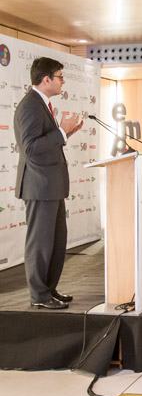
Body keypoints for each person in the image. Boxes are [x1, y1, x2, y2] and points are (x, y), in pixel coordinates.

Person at [14, 57, 83, 309]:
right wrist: (61, 132)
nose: (63, 81)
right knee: (40, 244)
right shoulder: (30, 105)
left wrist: (65, 134)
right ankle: (39, 295)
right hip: (39, 186)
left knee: (55, 242)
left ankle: (49, 290)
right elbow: (31, 148)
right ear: (46, 80)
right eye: (60, 76)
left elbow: (44, 143)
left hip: (50, 187)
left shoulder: (41, 104)